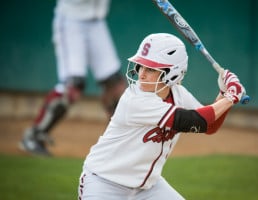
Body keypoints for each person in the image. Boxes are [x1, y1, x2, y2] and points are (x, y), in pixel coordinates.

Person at [77, 33, 246, 200]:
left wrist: (224, 94)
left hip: (148, 188)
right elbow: (192, 120)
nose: (141, 74)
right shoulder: (134, 100)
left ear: (171, 73)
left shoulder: (179, 94)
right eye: (141, 66)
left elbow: (209, 126)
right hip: (104, 183)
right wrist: (230, 97)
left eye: (150, 68)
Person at [19, 0, 127, 156]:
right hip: (71, 20)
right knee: (72, 87)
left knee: (115, 86)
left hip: (97, 22)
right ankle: (33, 136)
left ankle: (119, 142)